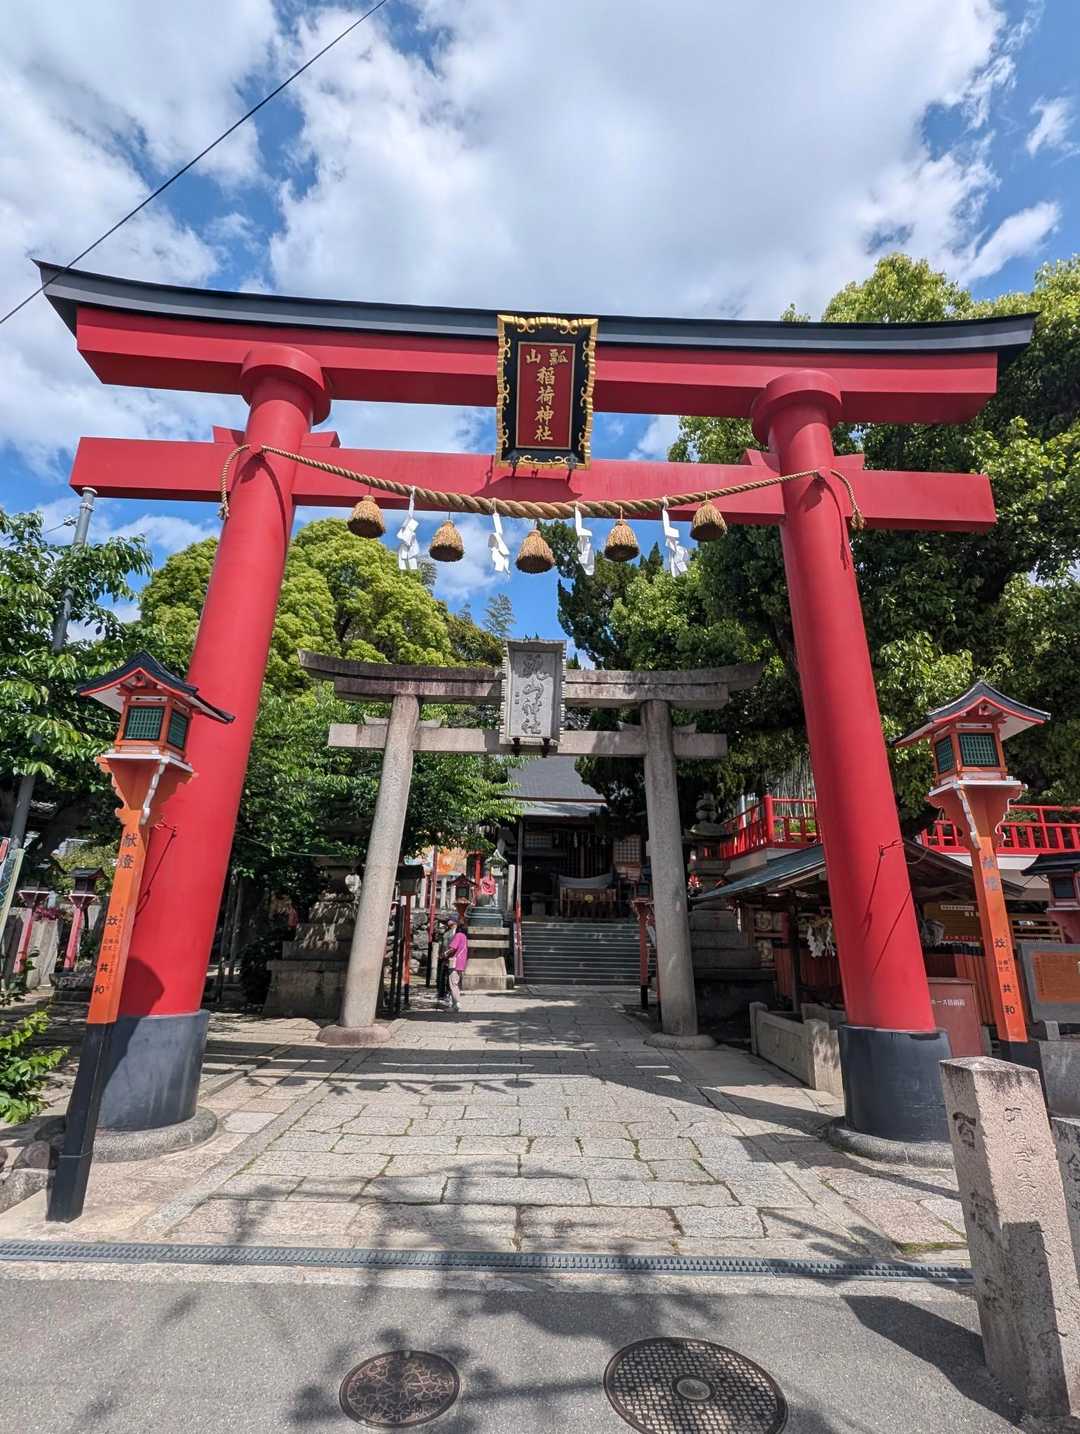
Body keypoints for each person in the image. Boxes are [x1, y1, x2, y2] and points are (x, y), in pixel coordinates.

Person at [439, 916, 468, 1012]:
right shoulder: (464, 936)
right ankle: (455, 1003)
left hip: (455, 961)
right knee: (456, 982)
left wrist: (444, 954)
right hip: (462, 962)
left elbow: (452, 948)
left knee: (453, 984)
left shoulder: (458, 935)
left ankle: (456, 1003)